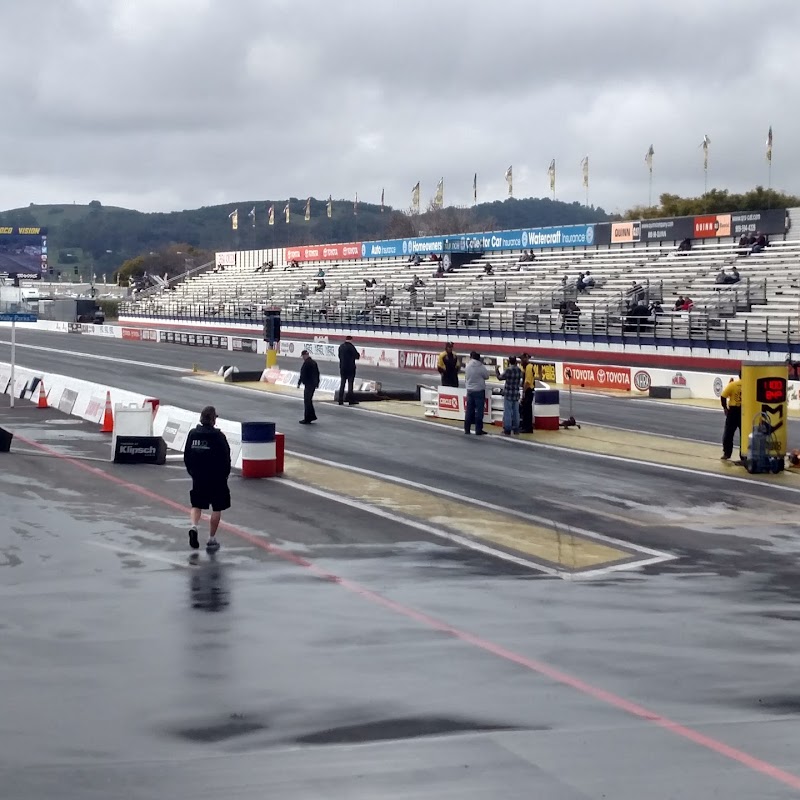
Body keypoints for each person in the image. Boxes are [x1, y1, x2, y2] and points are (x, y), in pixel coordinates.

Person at [184, 406, 231, 553]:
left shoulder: (193, 434)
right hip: (217, 477)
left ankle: (194, 526)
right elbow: (226, 457)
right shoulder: (218, 436)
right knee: (217, 507)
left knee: (196, 504)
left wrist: (192, 472)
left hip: (198, 476)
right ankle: (211, 538)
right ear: (212, 419)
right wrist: (224, 475)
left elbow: (187, 455)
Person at [496, 356, 523, 435]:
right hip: (516, 393)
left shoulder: (508, 370)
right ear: (516, 361)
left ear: (509, 361)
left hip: (508, 394)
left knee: (507, 412)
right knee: (516, 412)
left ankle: (507, 429)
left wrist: (496, 370)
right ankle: (516, 428)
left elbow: (500, 377)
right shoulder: (519, 370)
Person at [464, 351, 489, 436]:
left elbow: (466, 377)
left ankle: (467, 429)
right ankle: (478, 430)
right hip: (479, 390)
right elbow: (487, 376)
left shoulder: (468, 366)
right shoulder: (481, 366)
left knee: (469, 410)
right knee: (479, 411)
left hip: (470, 390)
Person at [720, 374, 743, 461]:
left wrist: (725, 408)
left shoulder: (733, 385)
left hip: (733, 411)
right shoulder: (750, 385)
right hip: (745, 411)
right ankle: (744, 455)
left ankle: (727, 453)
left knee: (728, 433)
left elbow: (723, 396)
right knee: (744, 435)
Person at [298, 350, 320, 424]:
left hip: (309, 384)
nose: (303, 358)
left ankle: (308, 418)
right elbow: (317, 373)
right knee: (309, 400)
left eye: (303, 356)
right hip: (312, 384)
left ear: (305, 355)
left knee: (307, 401)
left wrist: (299, 382)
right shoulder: (314, 362)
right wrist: (317, 383)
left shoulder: (307, 363)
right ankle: (311, 416)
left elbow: (303, 373)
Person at [337, 335, 360, 405]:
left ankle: (340, 399)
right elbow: (357, 356)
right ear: (351, 340)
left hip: (342, 367)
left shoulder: (341, 346)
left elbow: (339, 356)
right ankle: (350, 400)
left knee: (342, 384)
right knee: (350, 384)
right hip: (350, 367)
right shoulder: (351, 347)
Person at [519, 353, 535, 433]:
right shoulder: (525, 367)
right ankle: (526, 426)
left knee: (527, 410)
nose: (521, 361)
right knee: (526, 409)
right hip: (528, 390)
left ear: (526, 359)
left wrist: (523, 393)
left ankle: (527, 427)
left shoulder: (529, 367)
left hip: (528, 390)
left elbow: (527, 382)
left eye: (522, 359)